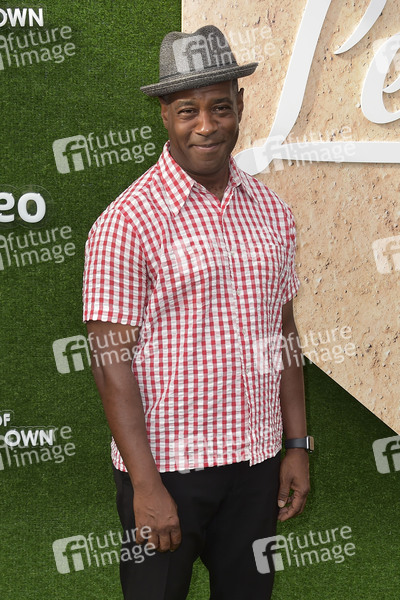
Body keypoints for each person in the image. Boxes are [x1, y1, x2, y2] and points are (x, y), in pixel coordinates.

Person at [83, 25, 312, 600]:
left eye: (220, 107)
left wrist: (296, 445)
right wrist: (145, 486)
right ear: (165, 114)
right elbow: (110, 362)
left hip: (256, 466)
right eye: (188, 110)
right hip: (166, 473)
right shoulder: (126, 222)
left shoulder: (273, 213)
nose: (206, 125)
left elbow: (283, 335)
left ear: (240, 105)